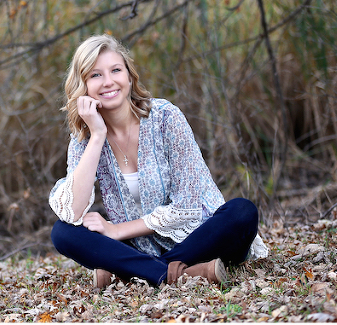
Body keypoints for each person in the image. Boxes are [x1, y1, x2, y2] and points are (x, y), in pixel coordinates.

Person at [49, 34, 268, 288]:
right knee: (63, 233)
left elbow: (186, 208)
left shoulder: (165, 118)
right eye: (95, 75)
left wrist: (117, 231)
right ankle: (176, 273)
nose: (108, 82)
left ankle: (133, 271)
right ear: (83, 86)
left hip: (201, 235)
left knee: (242, 211)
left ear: (129, 77)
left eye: (116, 70)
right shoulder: (85, 138)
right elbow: (72, 212)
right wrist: (97, 135)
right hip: (141, 245)